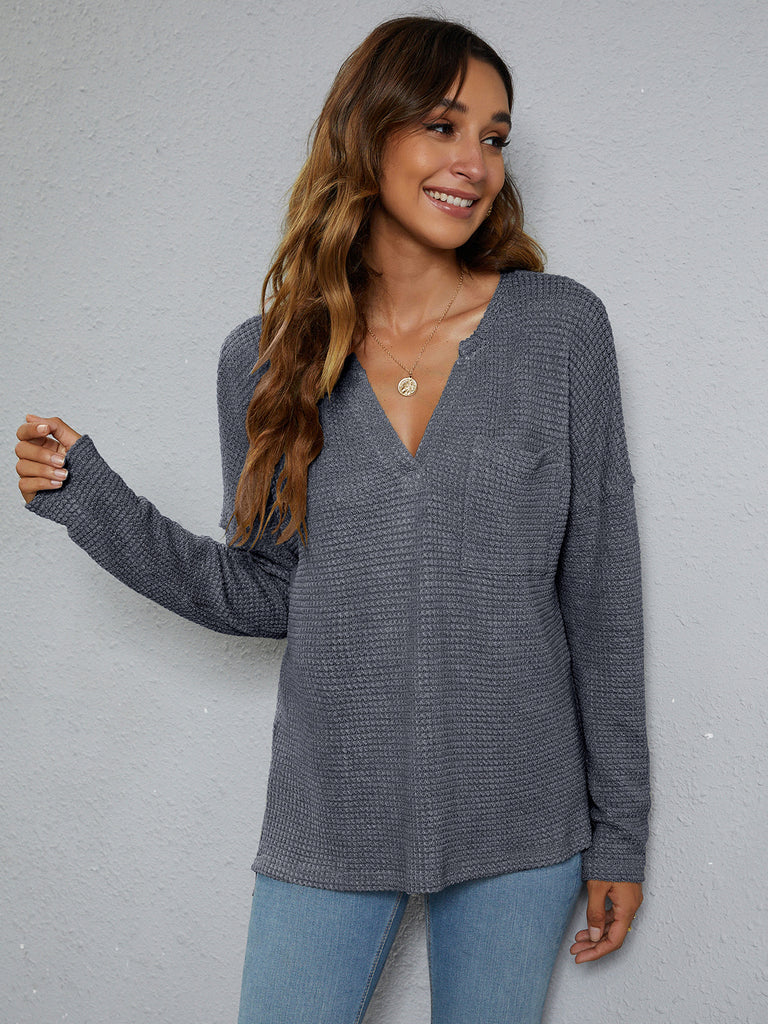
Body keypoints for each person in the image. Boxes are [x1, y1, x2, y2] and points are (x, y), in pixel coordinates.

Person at [15, 15, 650, 1024]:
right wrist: (88, 500)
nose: (475, 162)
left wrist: (621, 832)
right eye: (442, 126)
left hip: (522, 811)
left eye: (493, 137)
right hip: (334, 806)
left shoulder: (560, 328)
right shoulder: (267, 359)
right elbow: (266, 589)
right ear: (367, 133)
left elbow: (603, 594)